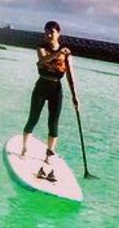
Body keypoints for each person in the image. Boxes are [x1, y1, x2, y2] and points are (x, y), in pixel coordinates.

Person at [19, 20, 78, 170]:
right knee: (33, 119)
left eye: (51, 32)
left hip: (56, 89)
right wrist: (59, 53)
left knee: (53, 124)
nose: (48, 35)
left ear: (58, 33)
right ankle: (25, 148)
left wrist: (75, 96)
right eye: (46, 32)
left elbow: (71, 76)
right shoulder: (41, 47)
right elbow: (43, 60)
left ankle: (48, 155)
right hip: (41, 86)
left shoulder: (67, 54)